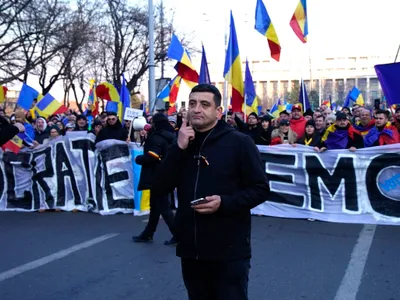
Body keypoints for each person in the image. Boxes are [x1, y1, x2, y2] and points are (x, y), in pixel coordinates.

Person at [152, 84, 270, 300]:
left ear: (218, 112)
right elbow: (160, 186)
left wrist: (223, 203)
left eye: (205, 104)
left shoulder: (239, 142)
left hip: (229, 249)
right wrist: (178, 149)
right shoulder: (181, 142)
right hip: (191, 249)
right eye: (192, 103)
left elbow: (260, 189)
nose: (197, 109)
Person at [132, 113, 177, 245]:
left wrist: (139, 159)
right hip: (166, 174)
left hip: (156, 176)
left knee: (163, 207)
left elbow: (153, 156)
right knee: (156, 207)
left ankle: (179, 235)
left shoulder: (156, 138)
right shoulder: (170, 136)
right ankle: (148, 233)